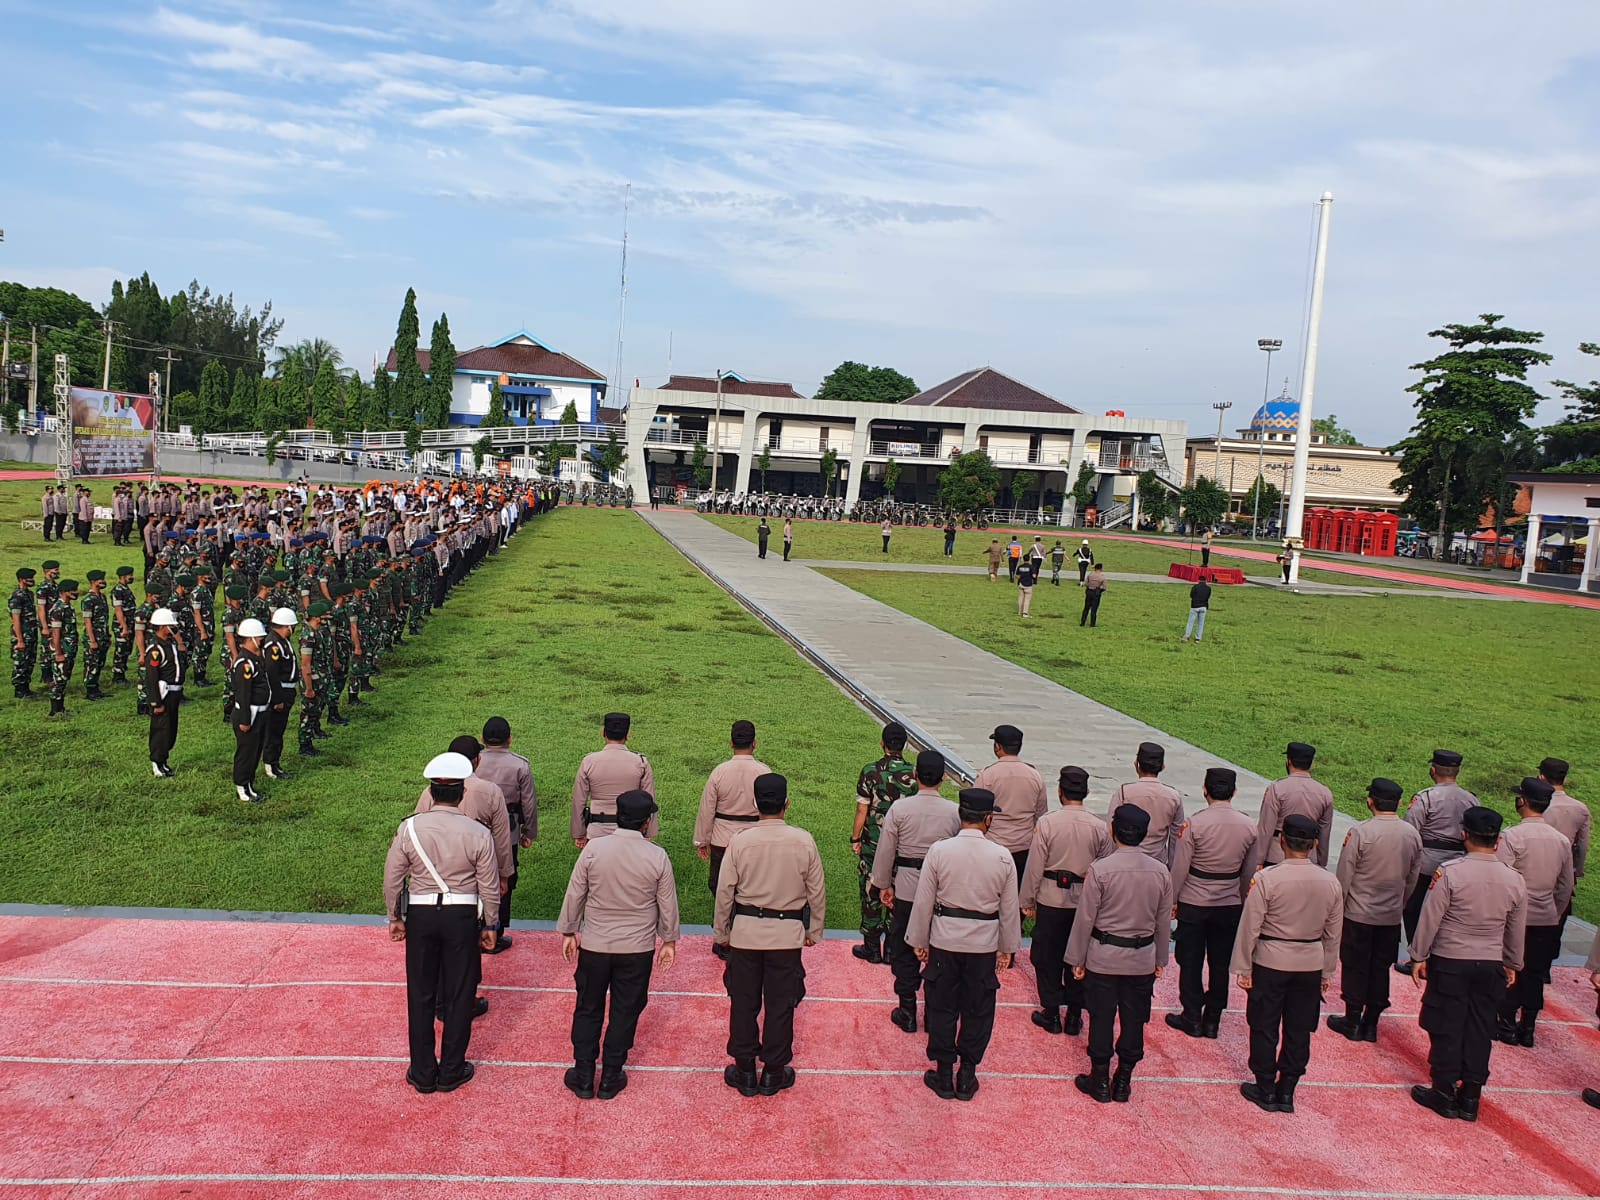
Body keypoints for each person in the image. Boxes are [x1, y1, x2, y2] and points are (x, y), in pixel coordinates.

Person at [384, 752, 500, 1095]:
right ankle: (451, 1069)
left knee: (420, 993)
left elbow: (393, 879)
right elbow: (489, 884)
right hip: (462, 917)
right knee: (460, 992)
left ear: (431, 793)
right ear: (462, 793)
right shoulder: (477, 832)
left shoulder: (410, 827)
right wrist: (491, 924)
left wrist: (395, 916)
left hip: (420, 915)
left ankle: (422, 1071)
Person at [557, 788, 680, 1101]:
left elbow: (575, 894)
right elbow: (667, 904)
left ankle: (584, 1074)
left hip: (596, 945)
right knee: (626, 1009)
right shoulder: (657, 856)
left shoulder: (594, 849)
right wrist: (669, 939)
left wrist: (569, 931)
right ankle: (611, 1075)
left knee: (588, 1007)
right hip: (636, 949)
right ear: (646, 822)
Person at [1407, 807, 1527, 1122]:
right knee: (1480, 1027)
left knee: (1446, 1024)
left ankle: (1444, 1092)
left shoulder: (1451, 872)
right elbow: (1515, 928)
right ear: (1498, 840)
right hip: (1490, 962)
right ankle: (1471, 1095)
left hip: (1451, 959)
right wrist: (1513, 962)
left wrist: (1419, 955)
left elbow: (1430, 917)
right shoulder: (1514, 879)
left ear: (1464, 835)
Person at [713, 772, 826, 1097]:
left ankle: (746, 1070)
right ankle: (774, 1072)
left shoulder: (740, 841)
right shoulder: (803, 840)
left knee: (743, 1001)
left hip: (746, 934)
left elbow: (725, 893)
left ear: (755, 804)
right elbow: (816, 892)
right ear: (786, 804)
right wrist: (813, 930)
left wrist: (722, 932)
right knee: (780, 1005)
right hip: (787, 936)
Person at [906, 788, 1020, 1100]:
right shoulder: (1002, 856)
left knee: (941, 1006)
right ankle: (967, 1075)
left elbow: (924, 900)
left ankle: (944, 1074)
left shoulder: (940, 851)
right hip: (983, 946)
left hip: (944, 940)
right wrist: (1007, 948)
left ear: (961, 815)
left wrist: (918, 940)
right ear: (988, 818)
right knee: (978, 1010)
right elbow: (1009, 909)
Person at [1231, 813, 1344, 1114]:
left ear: (1282, 841)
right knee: (1299, 1028)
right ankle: (1287, 1089)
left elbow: (1250, 926)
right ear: (1315, 844)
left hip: (1271, 960)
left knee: (1264, 1025)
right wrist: (1328, 970)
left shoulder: (1268, 879)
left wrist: (1243, 967)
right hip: (1309, 963)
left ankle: (1265, 1086)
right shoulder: (1330, 882)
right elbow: (1334, 934)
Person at [1067, 804, 1173, 1104]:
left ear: (1113, 832)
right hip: (1141, 959)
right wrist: (1161, 959)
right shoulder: (1160, 872)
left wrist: (1077, 959)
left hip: (1104, 956)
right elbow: (1163, 921)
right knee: (1134, 1019)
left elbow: (1085, 919)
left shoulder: (1101, 870)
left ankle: (1099, 1079)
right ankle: (1123, 1080)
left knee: (1101, 1018)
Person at [1020, 765, 1113, 1036]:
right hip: (1084, 901)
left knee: (1046, 956)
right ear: (1086, 792)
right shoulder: (1099, 827)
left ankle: (1051, 1012)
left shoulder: (1047, 823)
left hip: (1050, 897)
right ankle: (1074, 1013)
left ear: (1060, 792)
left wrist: (1027, 900)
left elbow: (1035, 866)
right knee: (1078, 956)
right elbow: (1105, 868)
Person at [1168, 767, 1260, 1039]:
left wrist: (1173, 899)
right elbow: (1249, 871)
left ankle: (1192, 1015)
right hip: (1228, 902)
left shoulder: (1195, 823)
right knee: (1220, 963)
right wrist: (1240, 898)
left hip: (1194, 900)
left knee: (1191, 960)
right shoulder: (1248, 826)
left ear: (1205, 790)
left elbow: (1180, 867)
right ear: (1234, 792)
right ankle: (1213, 1019)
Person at [872, 749, 960, 1033]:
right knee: (939, 952)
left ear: (915, 776)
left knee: (904, 950)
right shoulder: (954, 812)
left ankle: (907, 1009)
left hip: (908, 889)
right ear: (943, 778)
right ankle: (935, 1014)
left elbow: (886, 851)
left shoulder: (900, 808)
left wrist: (883, 884)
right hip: (941, 891)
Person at [1329, 778, 1422, 1043]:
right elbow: (1413, 877)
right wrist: (1400, 903)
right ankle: (1371, 1023)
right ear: (1400, 803)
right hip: (1390, 914)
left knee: (1356, 965)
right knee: (1380, 967)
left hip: (1359, 912)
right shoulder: (1411, 834)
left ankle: (1352, 1018)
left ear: (1370, 801)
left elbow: (1345, 874)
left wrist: (1338, 909)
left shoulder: (1361, 832)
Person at [1495, 778, 1574, 1048]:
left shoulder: (1513, 835)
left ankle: (1505, 1024)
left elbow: (1500, 878)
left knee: (1511, 967)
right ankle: (1527, 1027)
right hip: (1546, 917)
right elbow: (1565, 886)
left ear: (1522, 801)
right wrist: (1554, 911)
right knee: (1535, 972)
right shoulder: (1561, 840)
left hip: (1516, 917)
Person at [695, 719, 770, 959]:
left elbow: (707, 808)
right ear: (754, 743)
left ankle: (724, 937)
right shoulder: (763, 771)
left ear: (730, 743)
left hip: (722, 838)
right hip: (754, 838)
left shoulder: (720, 771)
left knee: (721, 887)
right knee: (751, 887)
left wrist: (702, 840)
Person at [1398, 749, 1478, 968]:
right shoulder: (1471, 799)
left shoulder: (1426, 797)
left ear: (1433, 771)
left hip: (1425, 862)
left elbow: (1411, 832)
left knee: (1414, 908)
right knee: (1447, 912)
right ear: (1457, 772)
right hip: (1457, 863)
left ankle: (1418, 956)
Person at [850, 722, 914, 964]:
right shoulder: (914, 774)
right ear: (904, 745)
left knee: (871, 892)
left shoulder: (870, 771)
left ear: (882, 743)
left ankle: (872, 947)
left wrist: (855, 838)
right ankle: (891, 949)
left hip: (873, 845)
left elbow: (861, 810)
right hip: (903, 845)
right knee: (897, 892)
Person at [476, 716, 537, 951]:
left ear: (483, 739)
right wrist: (528, 833)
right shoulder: (520, 765)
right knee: (504, 878)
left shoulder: (474, 763)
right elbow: (528, 803)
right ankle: (496, 931)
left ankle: (475, 927)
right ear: (510, 739)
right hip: (508, 831)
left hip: (473, 829)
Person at [973, 724, 1048, 885]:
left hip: (993, 846)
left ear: (997, 747)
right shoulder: (1035, 776)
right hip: (1023, 849)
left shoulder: (987, 775)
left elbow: (974, 813)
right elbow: (1040, 815)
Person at [572, 712, 656, 846]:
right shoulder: (641, 762)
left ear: (603, 732)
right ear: (628, 734)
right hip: (632, 830)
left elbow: (578, 801)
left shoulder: (589, 761)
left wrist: (579, 833)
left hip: (597, 829)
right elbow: (649, 799)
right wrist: (649, 832)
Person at [1257, 742, 1335, 866]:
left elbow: (1266, 828)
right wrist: (1321, 862)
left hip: (1277, 855)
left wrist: (1258, 860)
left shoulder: (1277, 789)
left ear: (1288, 762)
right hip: (1309, 857)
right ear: (1312, 764)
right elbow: (1324, 833)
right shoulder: (1325, 793)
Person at [1109, 742, 1185, 866]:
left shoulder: (1124, 792)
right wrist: (1171, 867)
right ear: (1162, 767)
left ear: (1136, 765)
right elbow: (1176, 837)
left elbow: (1110, 830)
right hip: (1157, 862)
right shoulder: (1173, 796)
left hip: (1124, 862)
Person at [1538, 756, 1588, 941]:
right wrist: (1577, 872)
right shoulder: (1580, 808)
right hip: (1564, 870)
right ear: (1565, 779)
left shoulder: (1539, 804)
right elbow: (1582, 846)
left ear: (1541, 777)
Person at [228, 618, 271, 803]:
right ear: (251, 639)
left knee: (255, 750)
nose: (262, 641)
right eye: (260, 638)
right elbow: (243, 695)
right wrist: (245, 720)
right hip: (249, 713)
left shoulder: (255, 659)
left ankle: (249, 785)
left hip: (260, 712)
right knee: (246, 752)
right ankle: (241, 786)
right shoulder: (244, 663)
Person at [261, 608, 299, 782]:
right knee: (274, 730)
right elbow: (272, 673)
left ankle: (275, 762)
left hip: (287, 690)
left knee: (279, 729)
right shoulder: (274, 644)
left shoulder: (283, 640)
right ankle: (270, 765)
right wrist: (277, 698)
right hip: (280, 691)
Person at [144, 607, 183, 777]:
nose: (173, 628)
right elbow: (151, 678)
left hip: (174, 693)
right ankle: (157, 762)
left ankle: (164, 760)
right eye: (170, 625)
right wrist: (156, 702)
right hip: (163, 693)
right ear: (161, 627)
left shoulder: (170, 644)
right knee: (161, 729)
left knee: (170, 730)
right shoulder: (155, 649)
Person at [46, 578, 79, 718]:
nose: (76, 593)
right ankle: (55, 710)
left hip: (69, 649)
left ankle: (61, 708)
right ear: (64, 592)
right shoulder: (58, 609)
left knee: (64, 678)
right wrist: (58, 652)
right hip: (62, 650)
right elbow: (55, 633)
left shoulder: (68, 607)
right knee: (59, 679)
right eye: (73, 590)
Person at [10, 567, 39, 700]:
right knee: (21, 662)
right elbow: (15, 619)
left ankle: (26, 688)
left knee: (29, 661)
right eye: (29, 578)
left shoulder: (29, 594)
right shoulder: (17, 596)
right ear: (22, 579)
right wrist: (20, 640)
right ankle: (19, 690)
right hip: (22, 634)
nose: (32, 580)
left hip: (31, 633)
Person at [80, 571, 111, 701]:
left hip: (103, 636)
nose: (103, 582)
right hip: (93, 637)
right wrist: (92, 640)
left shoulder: (102, 597)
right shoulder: (88, 600)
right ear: (93, 582)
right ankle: (90, 689)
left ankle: (96, 687)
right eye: (100, 580)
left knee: (99, 663)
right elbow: (87, 621)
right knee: (91, 663)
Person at [1181, 579, 1210, 643]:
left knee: (1190, 622)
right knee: (1200, 623)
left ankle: (1186, 636)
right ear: (1205, 581)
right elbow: (1208, 597)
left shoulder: (1195, 587)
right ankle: (1198, 638)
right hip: (1203, 607)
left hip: (1195, 606)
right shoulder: (1208, 588)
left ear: (1198, 580)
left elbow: (1191, 595)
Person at [1080, 562, 1106, 627]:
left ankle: (1082, 622)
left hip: (1089, 592)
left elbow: (1086, 584)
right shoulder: (1102, 577)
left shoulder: (1090, 575)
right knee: (1094, 610)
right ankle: (1092, 624)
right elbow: (1104, 587)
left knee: (1086, 608)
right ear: (1101, 569)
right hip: (1096, 593)